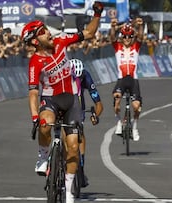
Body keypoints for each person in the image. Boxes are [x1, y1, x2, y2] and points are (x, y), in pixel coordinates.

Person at [21, 2, 104, 202]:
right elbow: (33, 93)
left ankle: (68, 192)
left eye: (46, 29)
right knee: (44, 124)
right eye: (42, 32)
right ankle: (43, 156)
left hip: (71, 100)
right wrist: (34, 116)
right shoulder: (35, 63)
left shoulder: (61, 41)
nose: (48, 33)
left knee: (74, 146)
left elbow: (89, 34)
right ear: (35, 42)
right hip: (50, 100)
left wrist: (97, 14)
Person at [70, 58, 103, 188]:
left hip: (79, 106)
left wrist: (96, 115)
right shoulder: (64, 76)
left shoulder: (86, 76)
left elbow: (99, 103)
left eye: (80, 78)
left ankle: (81, 166)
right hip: (65, 102)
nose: (79, 80)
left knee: (80, 131)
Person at [110, 17, 144, 141]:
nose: (127, 39)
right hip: (122, 79)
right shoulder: (118, 47)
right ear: (122, 37)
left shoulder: (136, 47)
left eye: (129, 36)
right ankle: (119, 122)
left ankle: (134, 128)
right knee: (117, 99)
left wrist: (140, 26)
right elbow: (112, 37)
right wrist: (113, 27)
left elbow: (140, 37)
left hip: (133, 80)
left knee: (136, 107)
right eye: (124, 36)